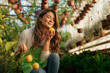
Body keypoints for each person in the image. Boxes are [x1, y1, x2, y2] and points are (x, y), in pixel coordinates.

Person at [15, 9, 61, 73]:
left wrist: (47, 40)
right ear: (40, 18)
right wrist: (20, 49)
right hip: (29, 65)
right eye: (48, 17)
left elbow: (44, 59)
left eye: (53, 20)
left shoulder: (53, 36)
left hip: (44, 64)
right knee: (39, 72)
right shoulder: (27, 33)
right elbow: (16, 56)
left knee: (55, 56)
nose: (51, 21)